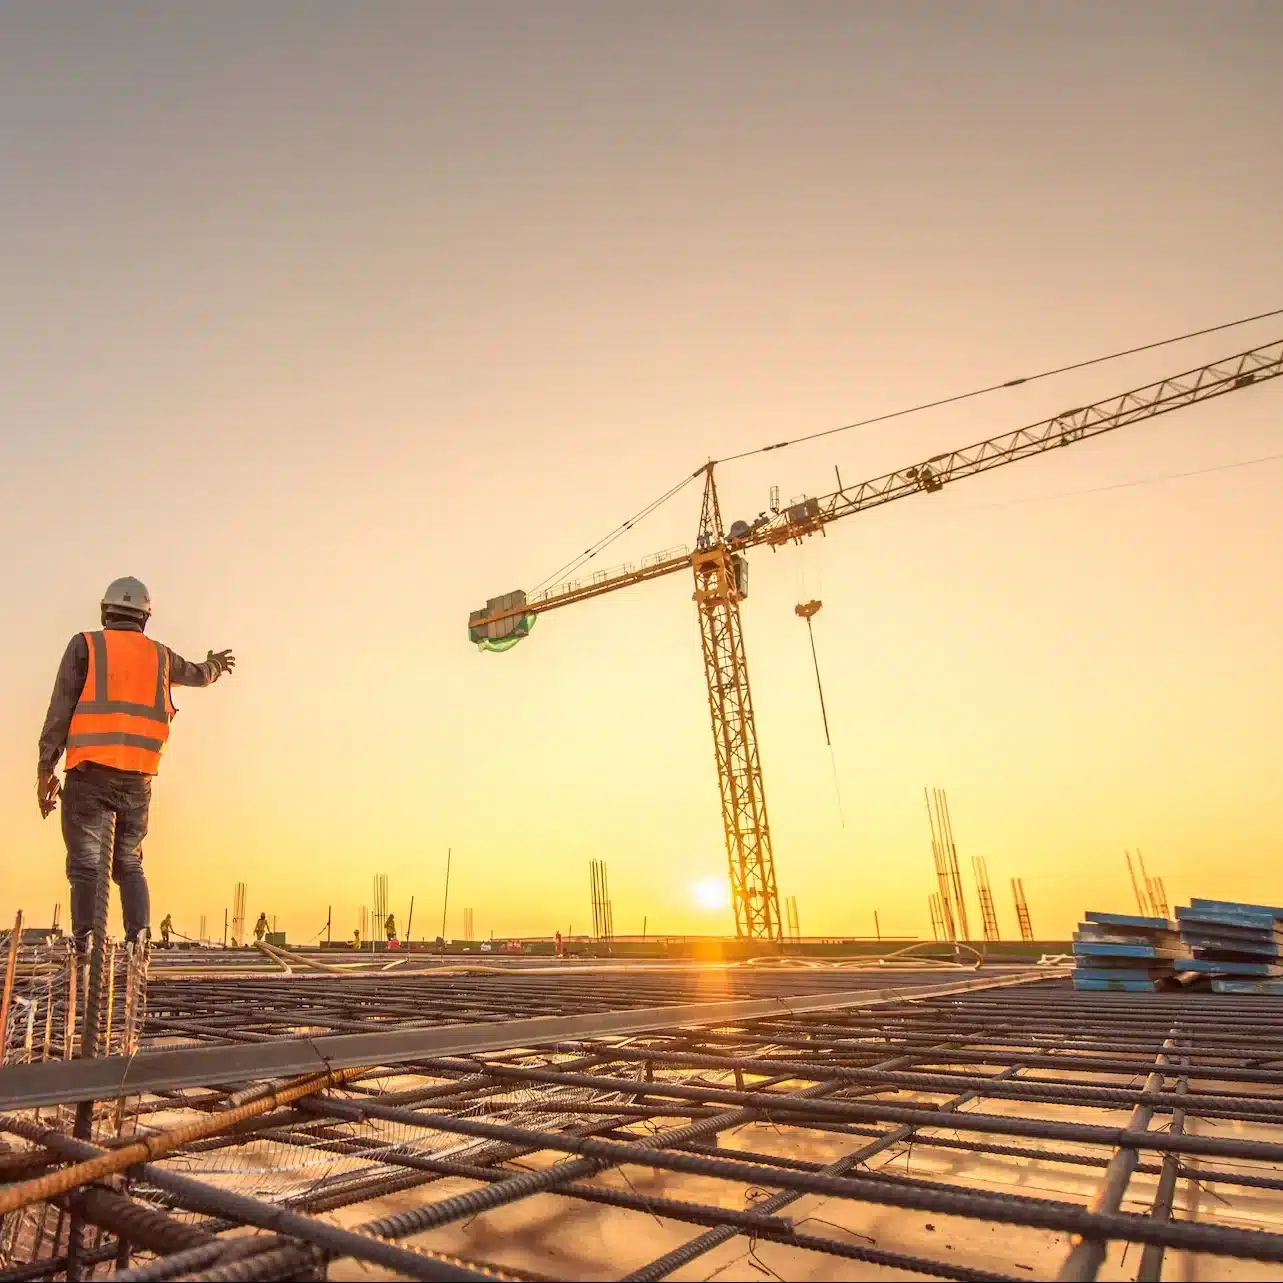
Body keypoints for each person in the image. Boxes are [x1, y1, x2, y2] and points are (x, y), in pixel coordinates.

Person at [37, 577, 234, 954]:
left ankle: (88, 943)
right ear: (145, 617)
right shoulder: (161, 657)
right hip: (137, 780)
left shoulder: (86, 646)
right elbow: (198, 674)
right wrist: (215, 665)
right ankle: (138, 938)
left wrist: (45, 768)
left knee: (86, 865)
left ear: (105, 611)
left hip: (88, 773)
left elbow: (60, 710)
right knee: (128, 862)